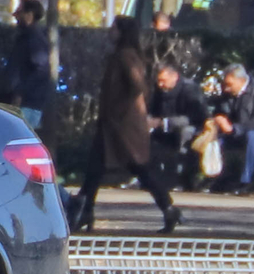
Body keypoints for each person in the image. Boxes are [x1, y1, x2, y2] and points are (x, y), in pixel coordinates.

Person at [69, 16, 181, 233]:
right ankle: (85, 210)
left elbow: (137, 85)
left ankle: (168, 208)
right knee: (96, 167)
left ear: (122, 32)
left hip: (121, 125)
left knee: (137, 167)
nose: (110, 31)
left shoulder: (125, 56)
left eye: (114, 28)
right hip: (115, 123)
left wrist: (119, 109)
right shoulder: (126, 56)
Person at [200, 63, 254, 191]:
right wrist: (217, 119)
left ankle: (246, 180)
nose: (226, 89)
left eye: (229, 85)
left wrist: (233, 129)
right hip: (236, 132)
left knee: (252, 136)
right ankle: (215, 177)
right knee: (215, 140)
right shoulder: (228, 93)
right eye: (225, 84)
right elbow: (219, 111)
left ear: (241, 81)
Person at [147, 62, 209, 185]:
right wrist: (148, 120)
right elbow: (152, 110)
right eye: (158, 81)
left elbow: (196, 116)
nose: (160, 84)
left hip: (191, 127)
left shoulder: (190, 89)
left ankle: (182, 178)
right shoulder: (159, 90)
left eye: (163, 81)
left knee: (185, 132)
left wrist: (166, 122)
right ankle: (148, 177)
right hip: (163, 126)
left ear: (174, 76)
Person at [8, 0, 55, 130]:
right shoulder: (28, 38)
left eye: (19, 11)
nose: (15, 15)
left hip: (26, 104)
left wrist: (20, 93)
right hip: (26, 103)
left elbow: (41, 71)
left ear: (29, 15)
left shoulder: (33, 39)